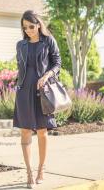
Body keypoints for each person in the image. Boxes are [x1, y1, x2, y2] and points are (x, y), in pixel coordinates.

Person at [13, 10, 61, 188]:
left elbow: (57, 63)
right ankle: (29, 173)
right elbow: (21, 68)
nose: (28, 30)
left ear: (38, 24)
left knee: (42, 131)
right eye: (25, 28)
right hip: (24, 92)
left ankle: (41, 168)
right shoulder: (21, 45)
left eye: (31, 26)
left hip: (43, 92)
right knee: (25, 132)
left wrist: (47, 76)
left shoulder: (48, 41)